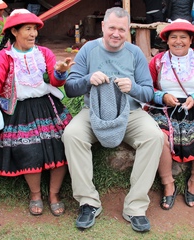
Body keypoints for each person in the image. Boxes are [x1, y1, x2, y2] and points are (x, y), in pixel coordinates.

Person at [62, 7, 164, 232]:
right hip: (94, 112)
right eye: (112, 28)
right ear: (103, 27)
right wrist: (88, 79)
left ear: (128, 30)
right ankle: (88, 201)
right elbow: (70, 88)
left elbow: (148, 92)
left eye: (121, 29)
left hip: (131, 113)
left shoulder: (135, 53)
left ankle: (135, 207)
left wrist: (133, 88)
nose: (116, 33)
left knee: (155, 137)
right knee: (72, 135)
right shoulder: (88, 49)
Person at [0, 9, 74, 216]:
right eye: (28, 29)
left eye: (35, 29)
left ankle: (54, 194)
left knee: (59, 146)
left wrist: (59, 72)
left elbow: (55, 81)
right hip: (19, 109)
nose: (33, 34)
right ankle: (35, 195)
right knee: (28, 150)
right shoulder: (4, 57)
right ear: (14, 31)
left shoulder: (44, 54)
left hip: (47, 106)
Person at [148, 19, 194, 210]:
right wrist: (162, 96)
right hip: (165, 109)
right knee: (160, 136)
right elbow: (146, 88)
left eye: (183, 37)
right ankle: (168, 184)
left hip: (191, 107)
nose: (178, 41)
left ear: (191, 40)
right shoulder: (157, 62)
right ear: (166, 40)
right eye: (173, 37)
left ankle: (193, 182)